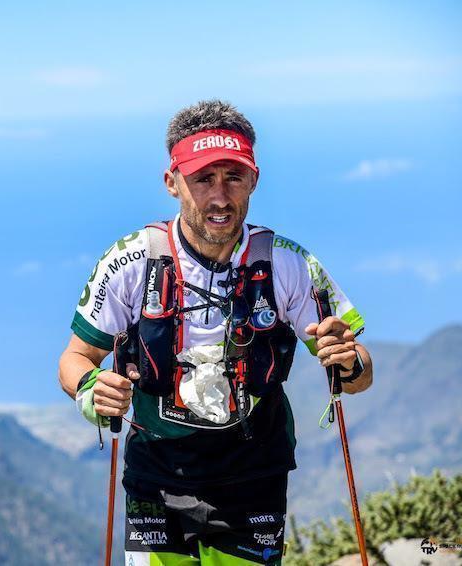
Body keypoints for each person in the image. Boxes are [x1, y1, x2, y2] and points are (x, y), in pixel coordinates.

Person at [58, 99, 373, 565]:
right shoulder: (130, 262)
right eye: (204, 178)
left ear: (255, 180)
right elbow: (74, 360)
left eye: (234, 177)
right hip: (156, 472)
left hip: (253, 473)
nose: (221, 197)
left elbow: (359, 373)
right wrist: (90, 390)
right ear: (173, 183)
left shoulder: (288, 263)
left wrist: (347, 360)